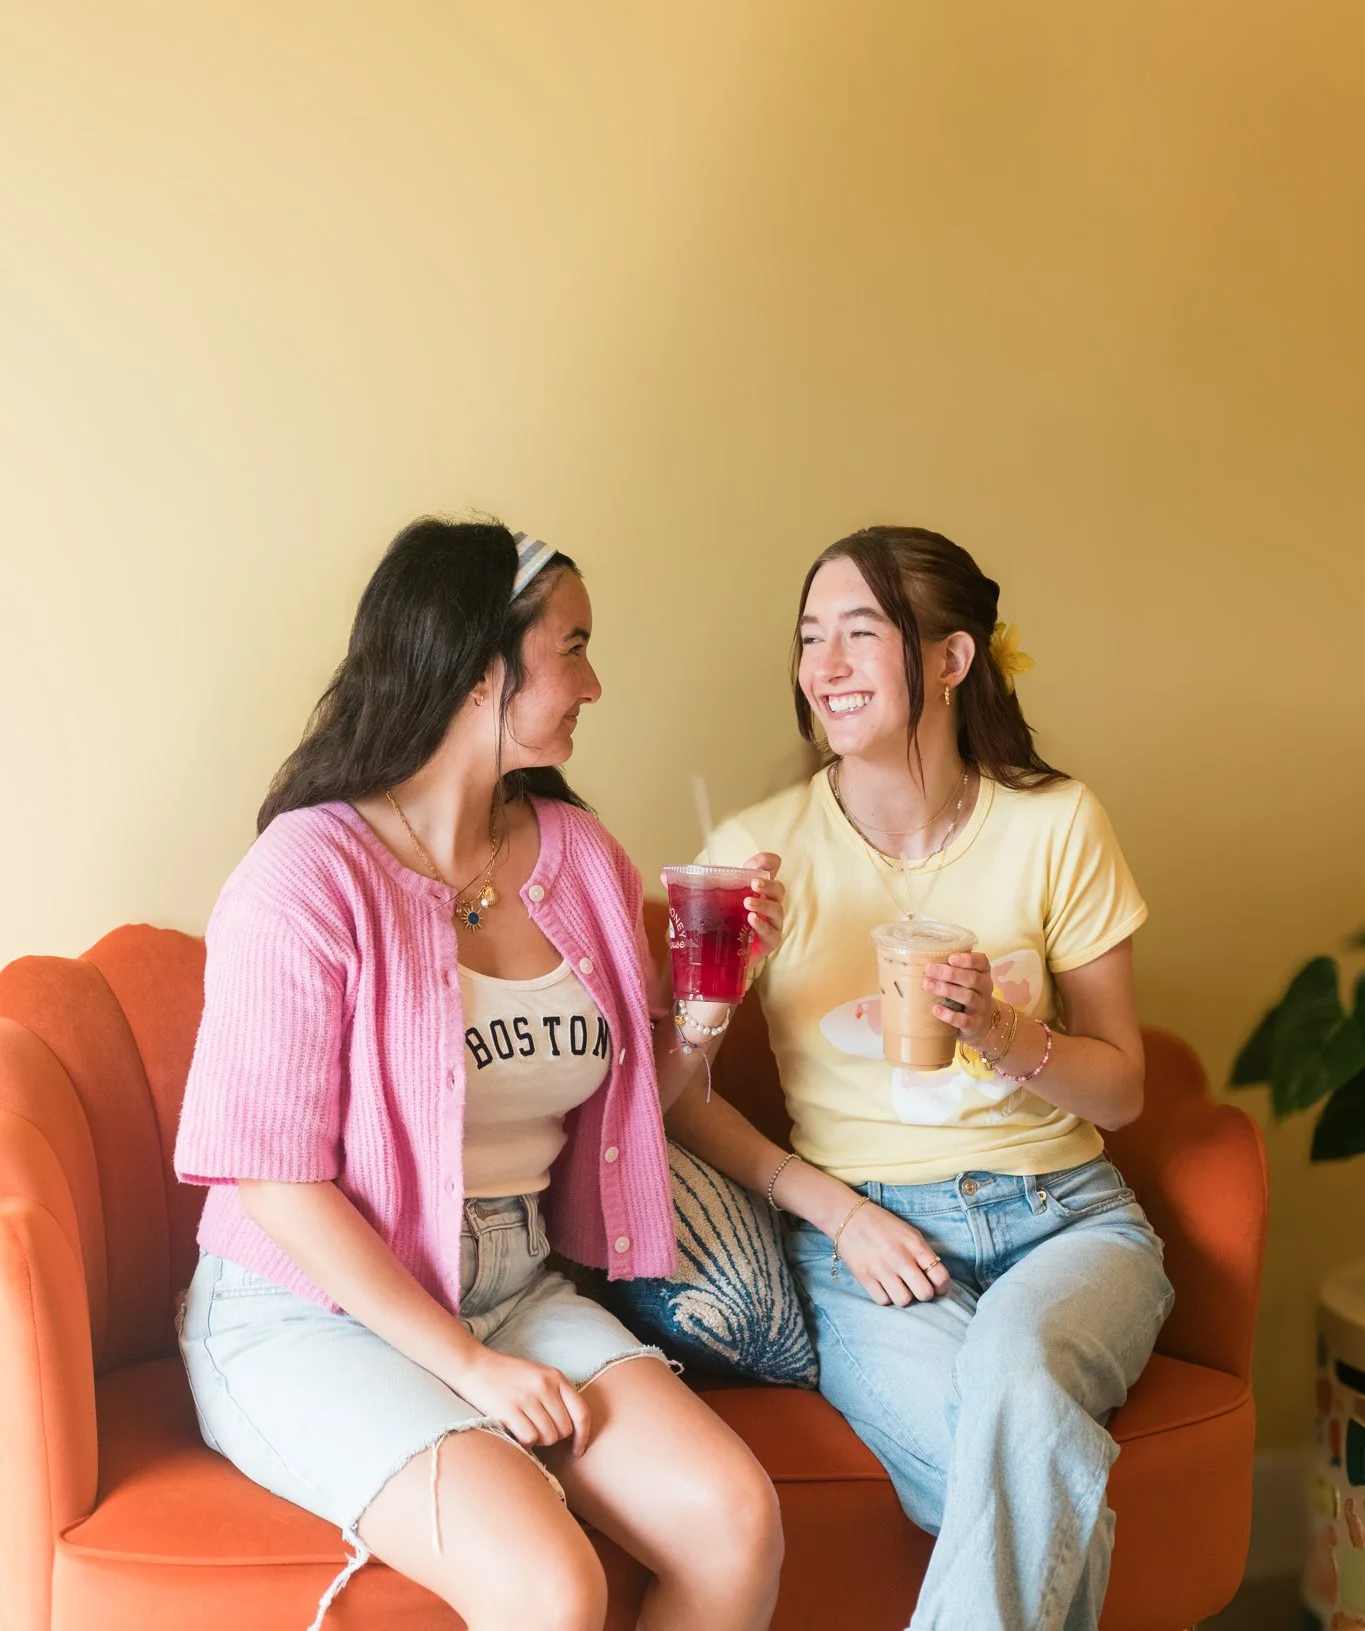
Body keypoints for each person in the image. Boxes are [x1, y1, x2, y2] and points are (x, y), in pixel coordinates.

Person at [174, 519, 785, 1631]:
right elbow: (274, 1182)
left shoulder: (581, 856)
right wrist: (465, 1364)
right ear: (475, 668)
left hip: (513, 1277)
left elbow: (652, 1091)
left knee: (733, 1517)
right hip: (309, 1308)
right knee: (551, 1586)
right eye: (574, 645)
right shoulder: (304, 877)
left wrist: (714, 997)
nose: (596, 681)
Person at [667, 525, 1173, 1631]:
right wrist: (836, 1210)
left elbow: (1124, 1086)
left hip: (1069, 1221)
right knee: (1029, 1464)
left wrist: (1003, 1031)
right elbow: (674, 1095)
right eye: (810, 637)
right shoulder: (761, 848)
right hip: (868, 1249)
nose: (825, 666)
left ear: (951, 659)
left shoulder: (1057, 824)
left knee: (1020, 1381)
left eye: (861, 632)